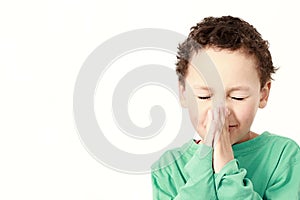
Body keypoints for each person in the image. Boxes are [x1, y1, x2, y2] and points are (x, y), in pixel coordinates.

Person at [151, 16, 300, 199]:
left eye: (238, 97)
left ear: (263, 94)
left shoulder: (283, 156)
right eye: (204, 96)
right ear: (184, 94)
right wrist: (206, 157)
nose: (220, 112)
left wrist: (226, 167)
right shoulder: (168, 168)